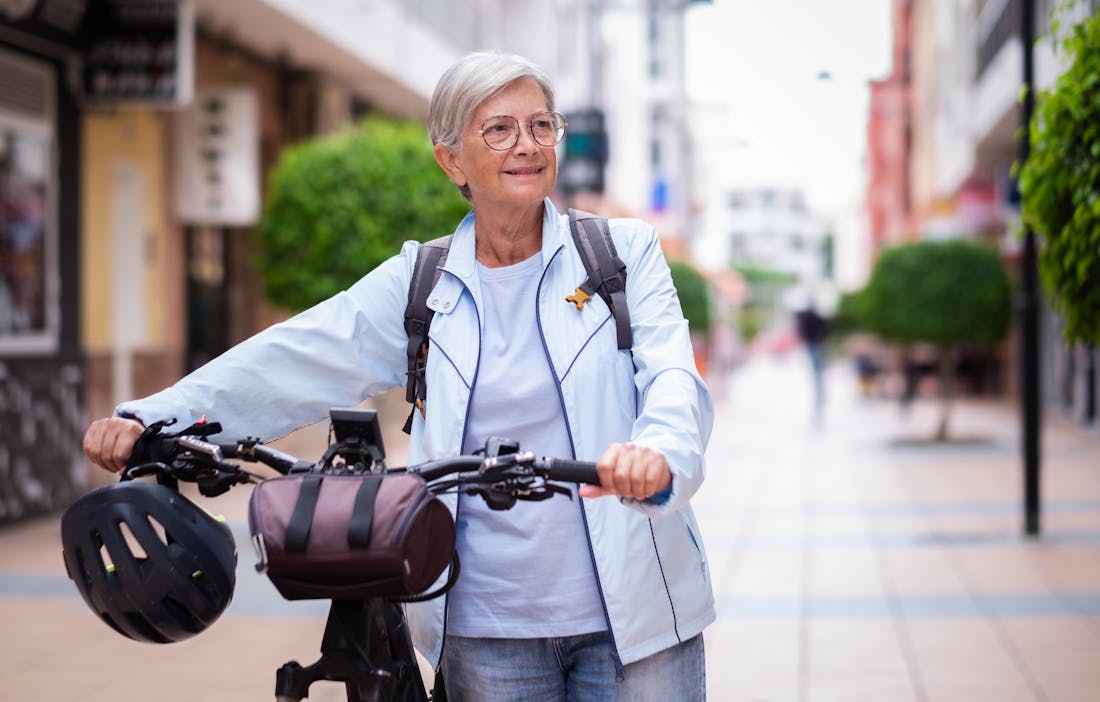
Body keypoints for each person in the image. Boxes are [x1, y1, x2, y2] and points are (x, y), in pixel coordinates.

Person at [83, 51, 714, 701]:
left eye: (540, 126)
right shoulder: (423, 282)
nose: (526, 145)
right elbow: (294, 357)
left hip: (637, 622)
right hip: (487, 626)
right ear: (451, 159)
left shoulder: (619, 254)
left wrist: (658, 453)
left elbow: (672, 376)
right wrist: (151, 420)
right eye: (498, 129)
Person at [795, 303, 829, 413]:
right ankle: (820, 391)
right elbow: (825, 329)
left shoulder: (806, 318)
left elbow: (801, 331)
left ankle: (819, 391)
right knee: (818, 369)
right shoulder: (818, 317)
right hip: (817, 344)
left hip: (812, 344)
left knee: (816, 369)